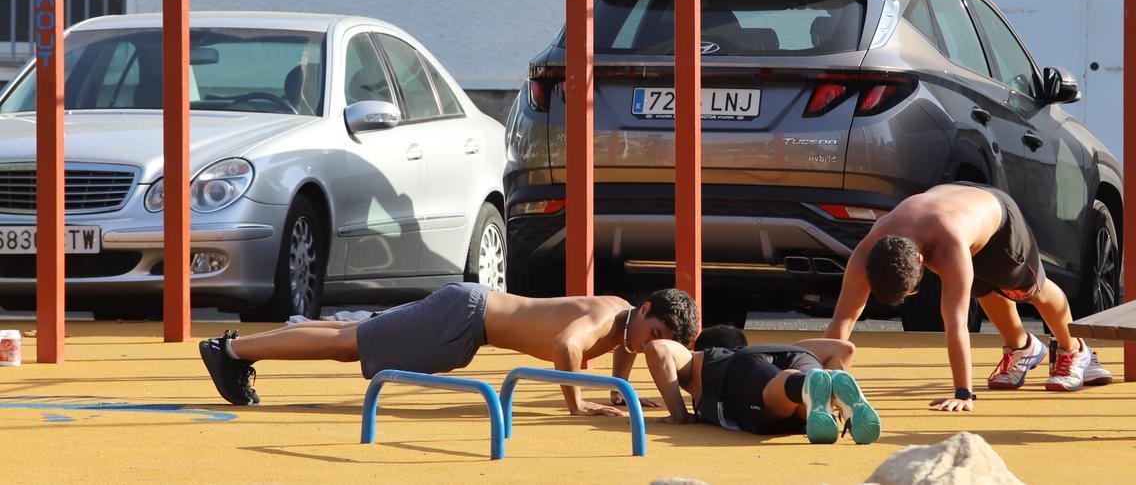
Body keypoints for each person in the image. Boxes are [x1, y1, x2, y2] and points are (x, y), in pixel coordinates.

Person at [823, 182, 1114, 413]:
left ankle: (1074, 349)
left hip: (998, 220)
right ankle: (1023, 349)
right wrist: (824, 386)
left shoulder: (949, 245)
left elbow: (956, 325)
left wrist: (963, 394)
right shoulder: (866, 252)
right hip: (954, 202)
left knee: (1028, 289)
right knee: (981, 287)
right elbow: (841, 324)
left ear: (922, 261)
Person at [199, 283, 698, 416]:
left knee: (347, 339)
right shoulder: (609, 316)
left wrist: (618, 395)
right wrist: (578, 402)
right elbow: (566, 345)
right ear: (646, 307)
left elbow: (622, 352)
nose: (646, 346)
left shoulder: (626, 327)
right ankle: (234, 352)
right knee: (345, 345)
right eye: (654, 335)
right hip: (465, 319)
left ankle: (239, 350)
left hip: (468, 318)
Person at [641, 327, 880, 444]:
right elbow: (845, 348)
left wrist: (679, 414)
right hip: (797, 353)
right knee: (801, 404)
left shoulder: (702, 362)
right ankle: (831, 389)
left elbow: (658, 349)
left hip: (741, 369)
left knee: (775, 392)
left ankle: (806, 383)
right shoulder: (772, 347)